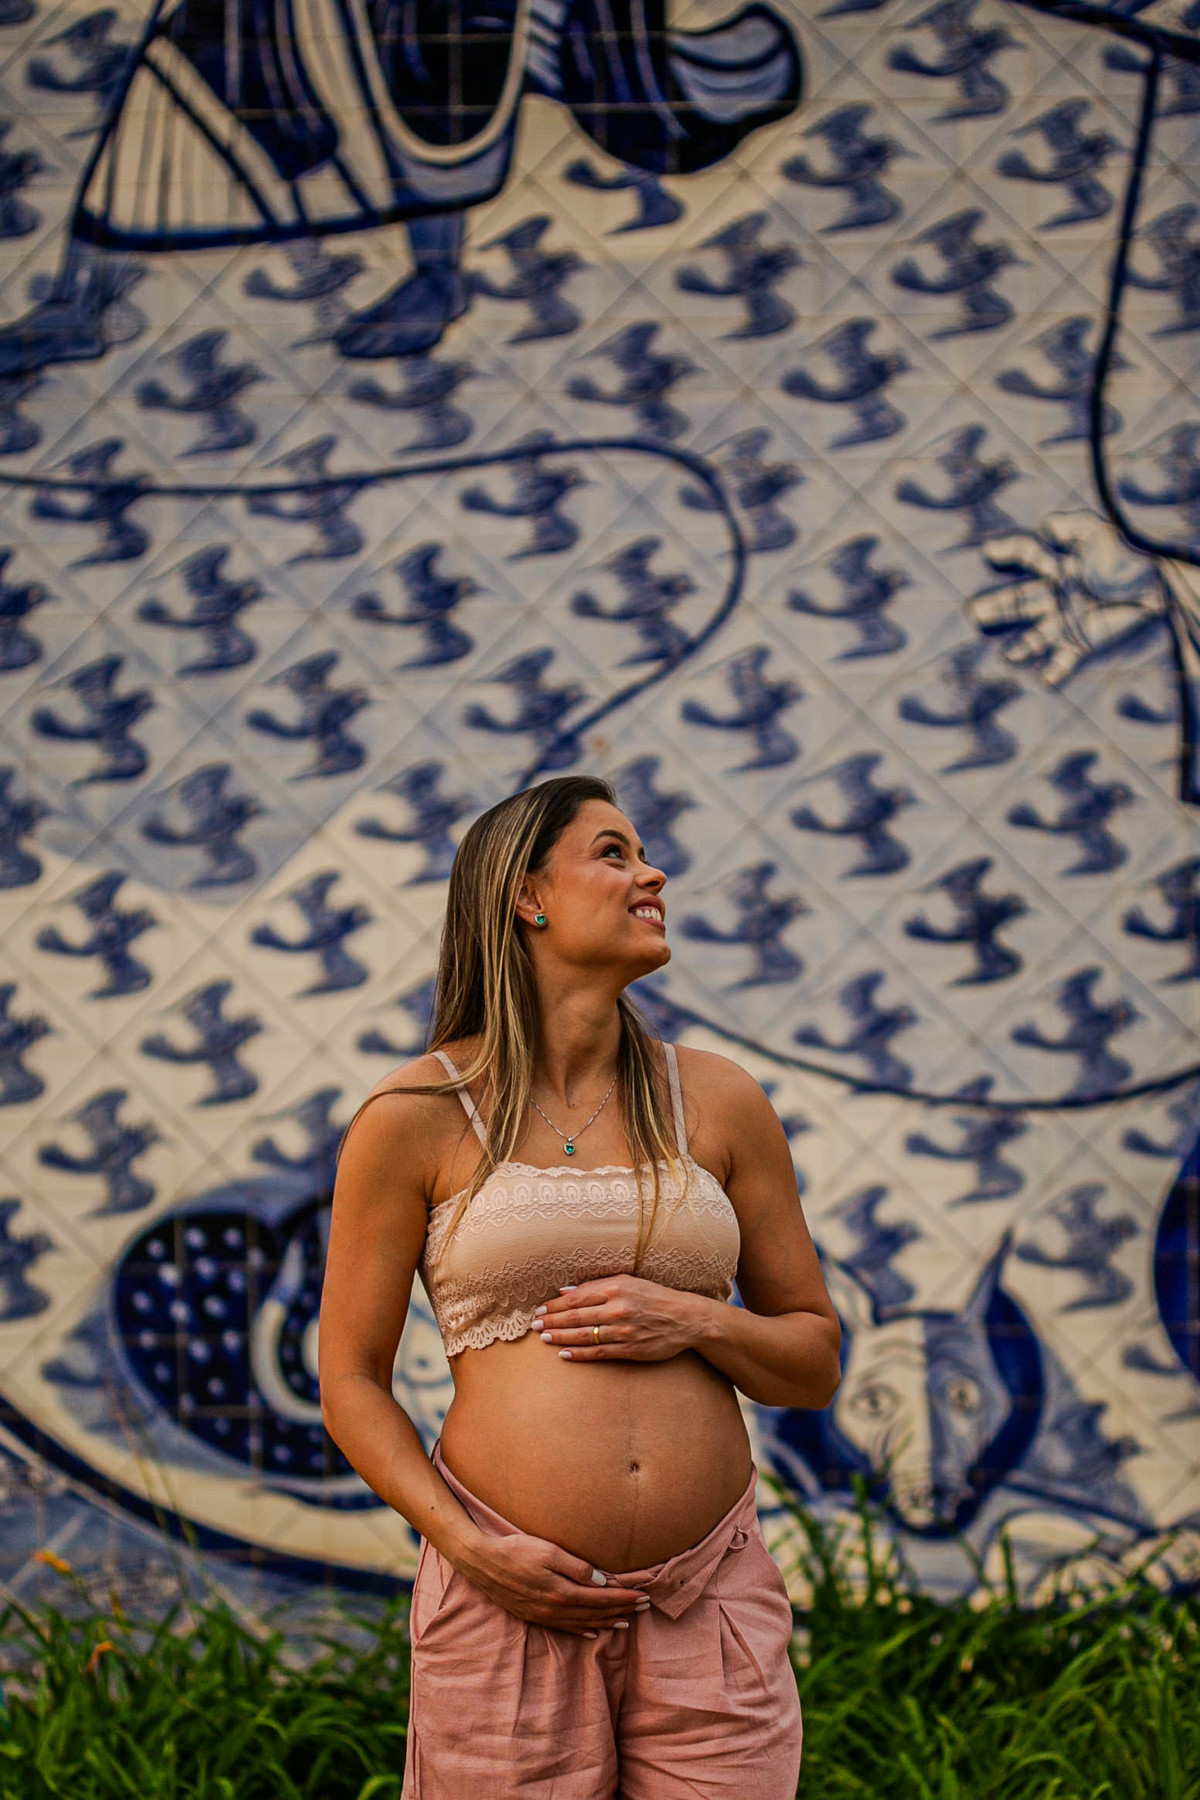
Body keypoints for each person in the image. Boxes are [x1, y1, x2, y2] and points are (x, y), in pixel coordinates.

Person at [319, 773, 841, 1799]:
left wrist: (695, 1320)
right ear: (527, 895)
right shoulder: (414, 1114)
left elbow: (813, 1362)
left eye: (643, 853)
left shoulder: (720, 1099)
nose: (653, 874)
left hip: (709, 1601)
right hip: (508, 1603)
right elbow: (350, 1383)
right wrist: (469, 1548)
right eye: (613, 853)